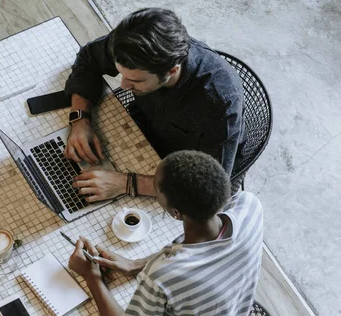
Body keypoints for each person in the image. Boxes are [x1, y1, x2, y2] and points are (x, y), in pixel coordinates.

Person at [68, 150, 263, 316]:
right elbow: (194, 252)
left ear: (175, 212)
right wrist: (136, 263)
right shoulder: (250, 207)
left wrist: (91, 276)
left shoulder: (164, 274)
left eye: (156, 189)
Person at [64, 8, 245, 201]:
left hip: (190, 165)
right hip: (145, 128)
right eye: (121, 74)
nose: (123, 85)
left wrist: (126, 183)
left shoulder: (219, 102)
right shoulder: (130, 44)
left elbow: (211, 186)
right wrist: (80, 119)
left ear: (171, 70)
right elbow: (88, 58)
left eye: (136, 81)